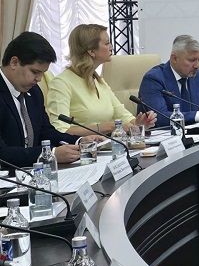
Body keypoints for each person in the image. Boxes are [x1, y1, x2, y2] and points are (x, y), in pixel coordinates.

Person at [0, 32, 104, 166]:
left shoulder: (34, 92)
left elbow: (46, 132)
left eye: (43, 73)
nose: (39, 79)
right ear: (14, 62)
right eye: (35, 72)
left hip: (32, 172)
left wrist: (80, 141)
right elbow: (2, 153)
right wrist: (51, 154)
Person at [46, 24, 155, 135]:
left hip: (108, 144)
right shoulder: (61, 83)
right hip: (81, 145)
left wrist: (139, 123)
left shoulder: (99, 81)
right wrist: (104, 127)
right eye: (107, 43)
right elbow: (60, 130)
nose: (111, 47)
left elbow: (124, 117)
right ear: (91, 51)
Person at [138, 35, 199, 127]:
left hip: (196, 132)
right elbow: (160, 117)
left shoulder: (198, 76)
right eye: (192, 60)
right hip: (166, 134)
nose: (197, 65)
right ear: (174, 58)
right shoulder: (153, 79)